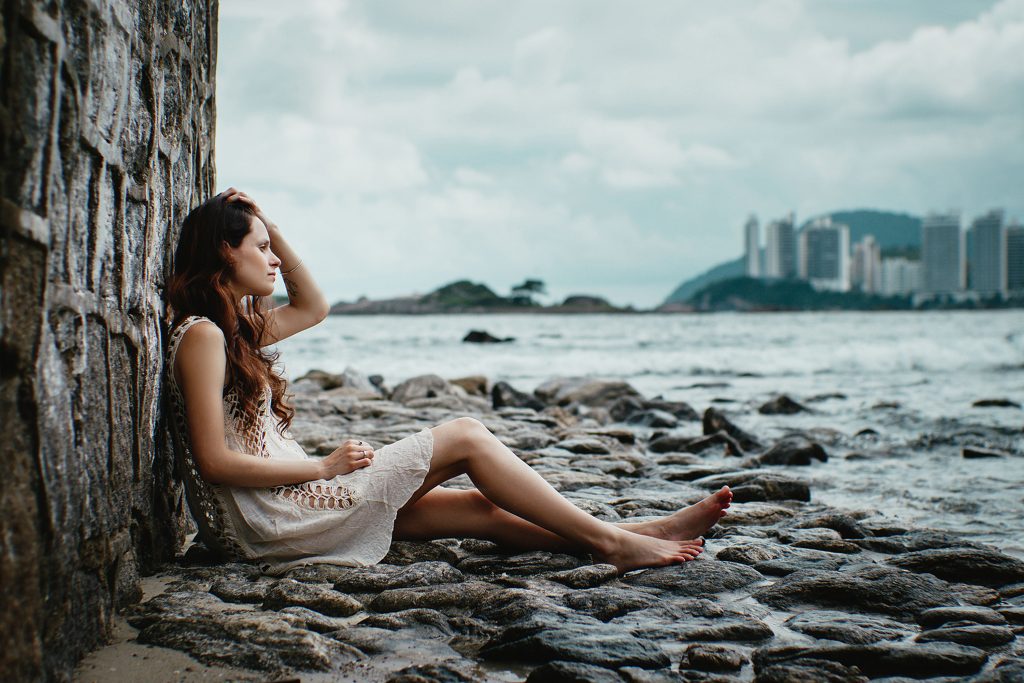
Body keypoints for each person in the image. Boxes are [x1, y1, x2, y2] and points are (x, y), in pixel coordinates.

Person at [166, 187, 733, 576]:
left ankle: (640, 532)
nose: (272, 261)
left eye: (272, 249)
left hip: (287, 504)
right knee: (464, 434)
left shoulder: (234, 331)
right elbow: (213, 461)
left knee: (475, 511)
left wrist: (274, 228)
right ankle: (614, 544)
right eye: (261, 248)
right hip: (275, 517)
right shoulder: (204, 337)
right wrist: (324, 466)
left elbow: (314, 306)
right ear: (224, 250)